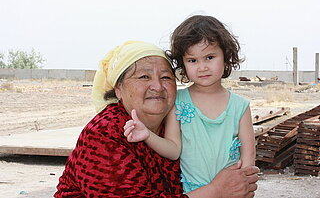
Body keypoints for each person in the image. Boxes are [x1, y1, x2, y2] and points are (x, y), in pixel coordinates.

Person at [55, 40, 259, 197]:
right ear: (119, 89)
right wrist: (216, 191)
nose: (157, 86)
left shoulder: (172, 124)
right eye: (144, 77)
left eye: (165, 77)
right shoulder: (105, 134)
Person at [124, 15, 256, 193]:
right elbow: (173, 149)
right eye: (192, 60)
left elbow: (249, 155)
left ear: (225, 57)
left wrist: (245, 189)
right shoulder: (178, 101)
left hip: (233, 191)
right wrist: (147, 134)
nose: (202, 67)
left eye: (209, 57)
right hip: (194, 192)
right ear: (183, 64)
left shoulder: (240, 106)